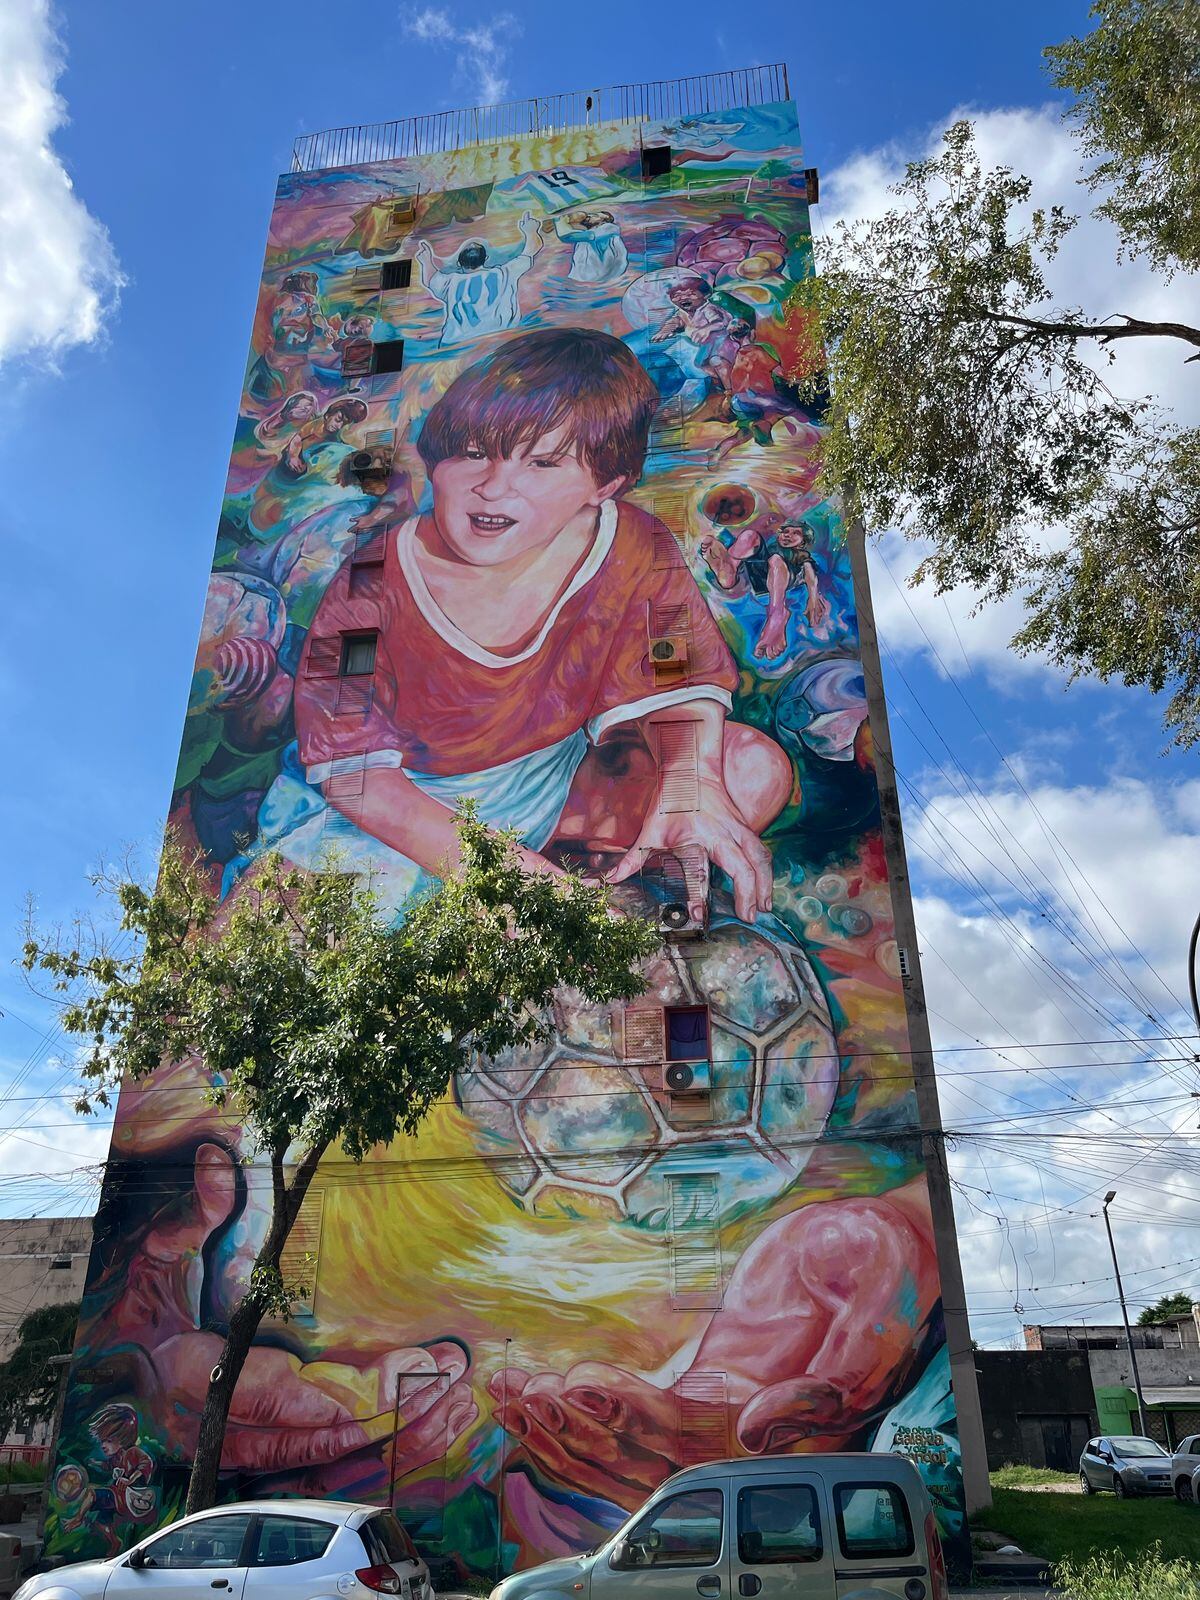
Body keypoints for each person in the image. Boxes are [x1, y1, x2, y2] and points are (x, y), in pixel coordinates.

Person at [253, 327, 791, 924]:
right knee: (286, 929)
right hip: (412, 806)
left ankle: (588, 889)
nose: (494, 486)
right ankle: (524, 906)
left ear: (603, 486)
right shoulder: (369, 584)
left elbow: (674, 671)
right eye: (474, 451)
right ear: (436, 459)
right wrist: (509, 877)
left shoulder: (633, 543)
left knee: (750, 769)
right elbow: (355, 777)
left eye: (542, 462)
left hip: (556, 781)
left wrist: (690, 787)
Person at [702, 515, 831, 662]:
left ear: (803, 543)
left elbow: (810, 575)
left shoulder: (800, 555)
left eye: (796, 533)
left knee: (776, 560)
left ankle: (777, 613)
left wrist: (813, 598)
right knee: (750, 536)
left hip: (785, 577)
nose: (788, 535)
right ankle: (729, 570)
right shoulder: (772, 548)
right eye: (786, 531)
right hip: (762, 575)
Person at [414, 214, 543, 346]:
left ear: (459, 264)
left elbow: (430, 279)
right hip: (502, 339)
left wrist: (426, 260)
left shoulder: (451, 283)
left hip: (457, 343)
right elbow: (532, 250)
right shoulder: (505, 273)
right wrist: (530, 231)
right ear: (485, 259)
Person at [555, 210, 628, 284]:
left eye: (595, 216)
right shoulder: (590, 232)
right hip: (588, 282)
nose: (589, 216)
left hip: (599, 281)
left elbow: (566, 237)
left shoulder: (609, 228)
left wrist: (557, 219)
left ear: (604, 222)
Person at [253, 390, 317, 446]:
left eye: (308, 404)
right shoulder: (278, 422)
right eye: (297, 406)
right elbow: (268, 433)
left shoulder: (313, 424)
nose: (304, 408)